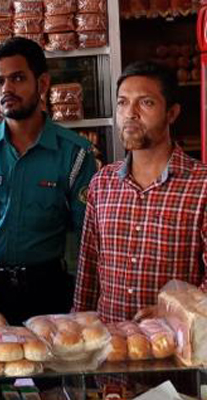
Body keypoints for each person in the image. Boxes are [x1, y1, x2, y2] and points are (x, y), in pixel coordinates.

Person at [0, 37, 97, 324]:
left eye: (17, 78)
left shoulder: (74, 153)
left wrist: (83, 298)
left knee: (50, 367)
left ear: (42, 84)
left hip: (47, 291)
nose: (6, 89)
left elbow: (87, 235)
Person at [73, 61, 207, 323]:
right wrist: (79, 328)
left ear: (172, 113)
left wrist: (177, 312)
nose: (130, 113)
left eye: (146, 103)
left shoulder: (201, 185)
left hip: (177, 352)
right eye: (122, 102)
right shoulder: (103, 184)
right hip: (110, 348)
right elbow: (88, 270)